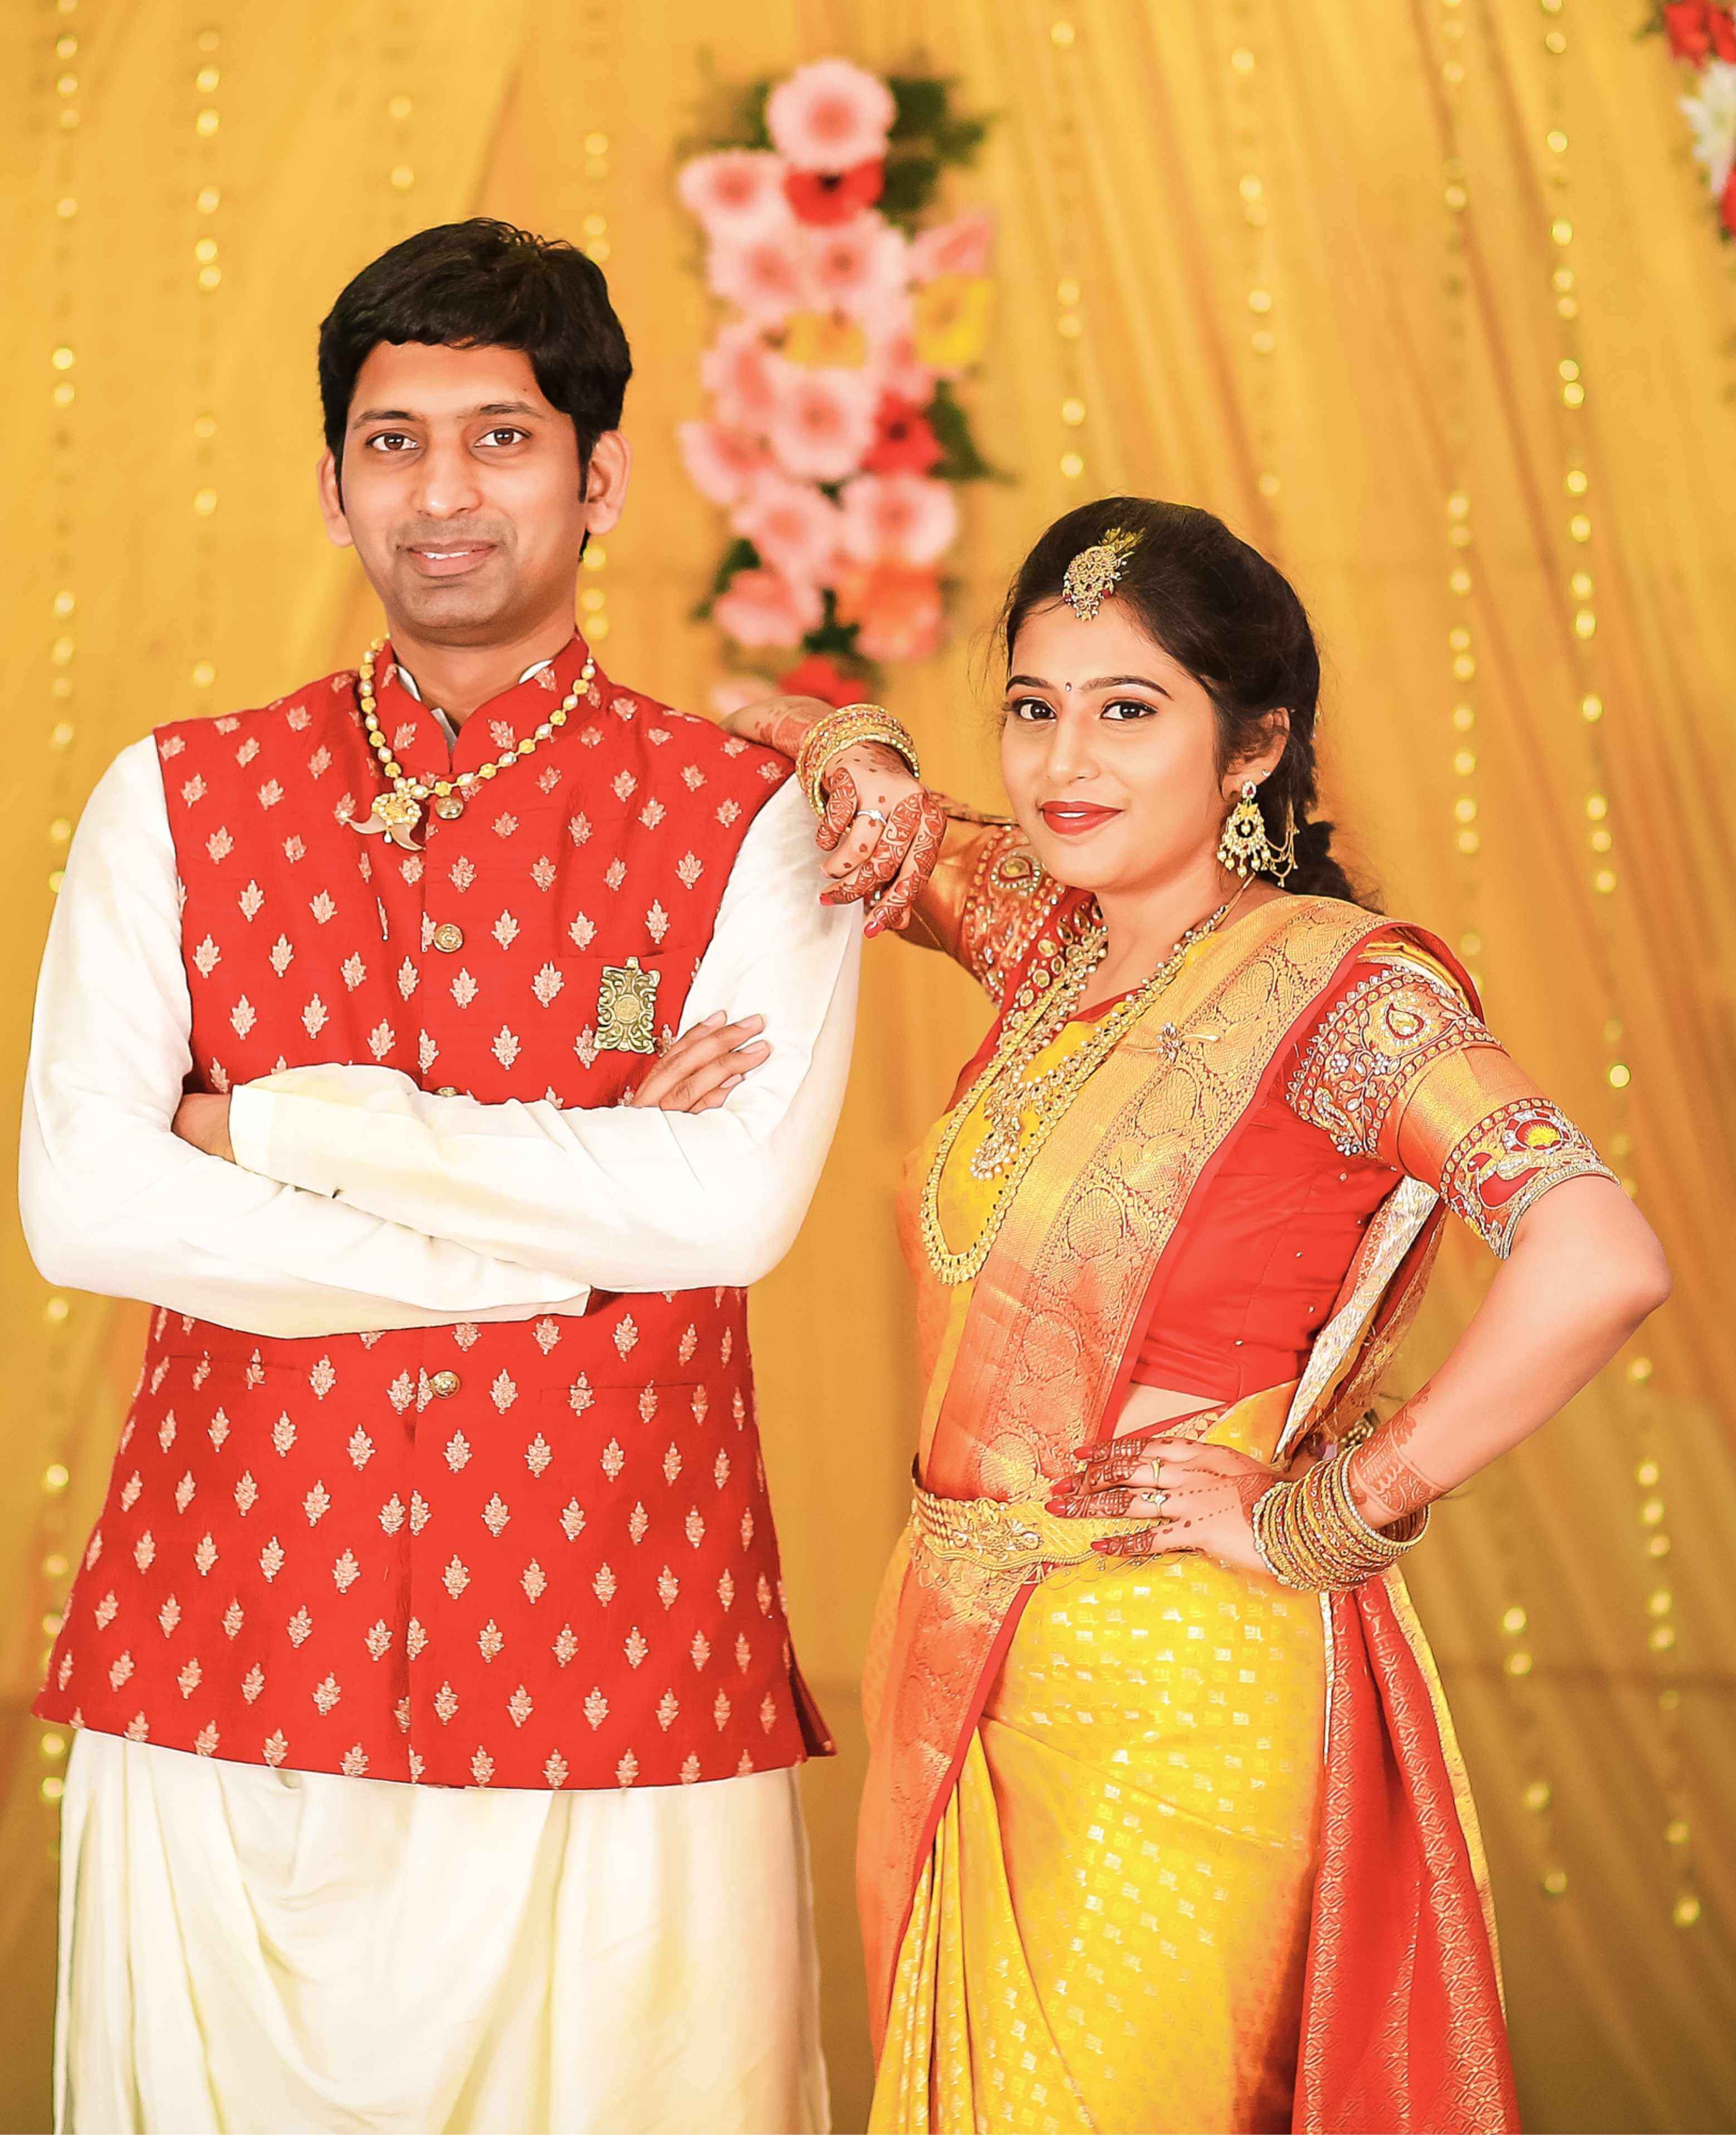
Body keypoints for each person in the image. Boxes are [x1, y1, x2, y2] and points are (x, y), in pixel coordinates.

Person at [16, 219, 933, 2134]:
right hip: (225, 1642)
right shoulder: (170, 800)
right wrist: (554, 1246)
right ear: (332, 486)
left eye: (501, 439)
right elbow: (87, 1205)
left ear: (601, 479)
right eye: (394, 442)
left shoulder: (754, 828)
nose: (443, 493)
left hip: (623, 1649)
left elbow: (726, 1213)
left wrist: (265, 1131)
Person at [705, 498, 1673, 2133]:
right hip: (960, 1653)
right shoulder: (1046, 939)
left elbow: (1599, 1254)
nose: (1064, 761)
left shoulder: (1345, 994)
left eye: (1130, 710)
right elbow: (748, 731)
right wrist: (855, 745)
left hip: (1175, 1698)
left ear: (1254, 748)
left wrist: (1332, 1511)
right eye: (1034, 706)